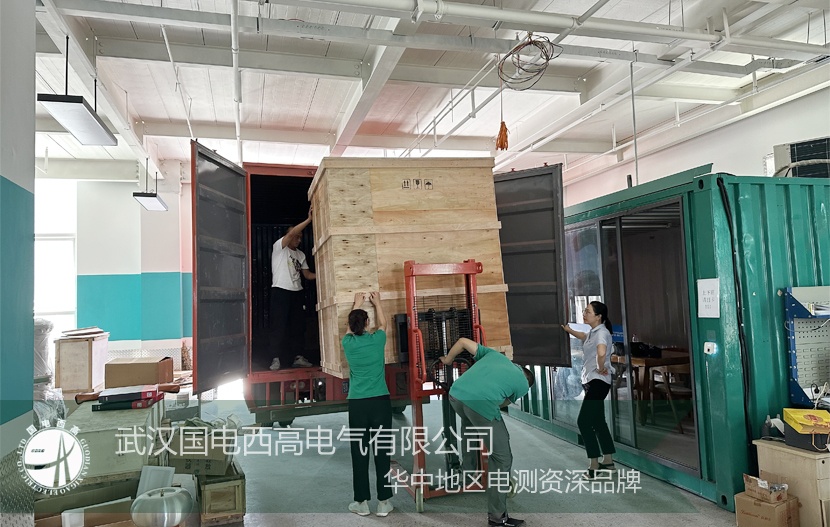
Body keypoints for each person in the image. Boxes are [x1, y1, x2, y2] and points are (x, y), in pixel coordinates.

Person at [441, 337, 535, 527]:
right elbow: (502, 403)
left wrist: (448, 360)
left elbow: (462, 341)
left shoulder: (496, 356)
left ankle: (467, 474)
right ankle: (497, 519)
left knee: (469, 425)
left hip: (455, 395)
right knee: (502, 458)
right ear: (527, 378)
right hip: (480, 404)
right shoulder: (524, 384)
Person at [343, 291, 394, 518]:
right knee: (382, 451)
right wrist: (377, 303)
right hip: (380, 402)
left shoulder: (348, 343)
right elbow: (384, 324)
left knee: (359, 452)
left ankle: (361, 502)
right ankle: (384, 503)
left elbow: (348, 329)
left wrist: (356, 304)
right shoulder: (377, 340)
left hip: (357, 405)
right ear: (366, 324)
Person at [561, 301, 616, 479]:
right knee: (598, 421)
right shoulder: (594, 332)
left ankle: (594, 464)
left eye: (588, 312)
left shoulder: (602, 333)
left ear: (598, 316)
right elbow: (584, 337)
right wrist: (569, 330)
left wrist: (601, 366)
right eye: (584, 311)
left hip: (599, 381)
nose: (584, 314)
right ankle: (608, 461)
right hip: (592, 381)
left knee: (584, 421)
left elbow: (602, 352)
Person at [268, 206, 316, 370]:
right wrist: (309, 220)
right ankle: (275, 358)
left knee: (298, 326)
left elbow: (307, 275)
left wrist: (324, 274)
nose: (298, 239)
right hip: (280, 291)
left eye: (300, 237)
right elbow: (291, 233)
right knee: (278, 326)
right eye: (296, 236)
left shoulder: (301, 255)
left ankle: (298, 356)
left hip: (297, 293)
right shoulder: (279, 247)